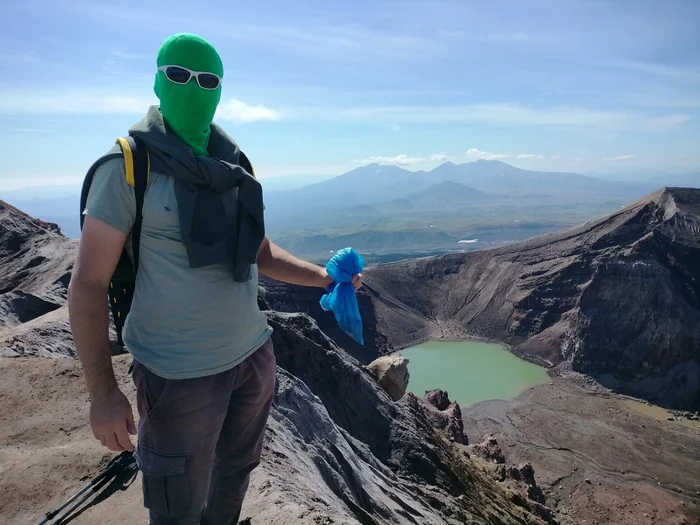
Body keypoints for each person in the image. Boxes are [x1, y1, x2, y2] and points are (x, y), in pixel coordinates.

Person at [67, 32, 362, 525]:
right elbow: (88, 283)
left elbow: (259, 252)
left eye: (207, 80)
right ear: (158, 82)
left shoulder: (232, 165)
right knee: (176, 501)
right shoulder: (126, 168)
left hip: (252, 356)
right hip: (177, 374)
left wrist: (326, 278)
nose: (193, 88)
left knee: (236, 472)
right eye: (179, 76)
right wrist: (102, 394)